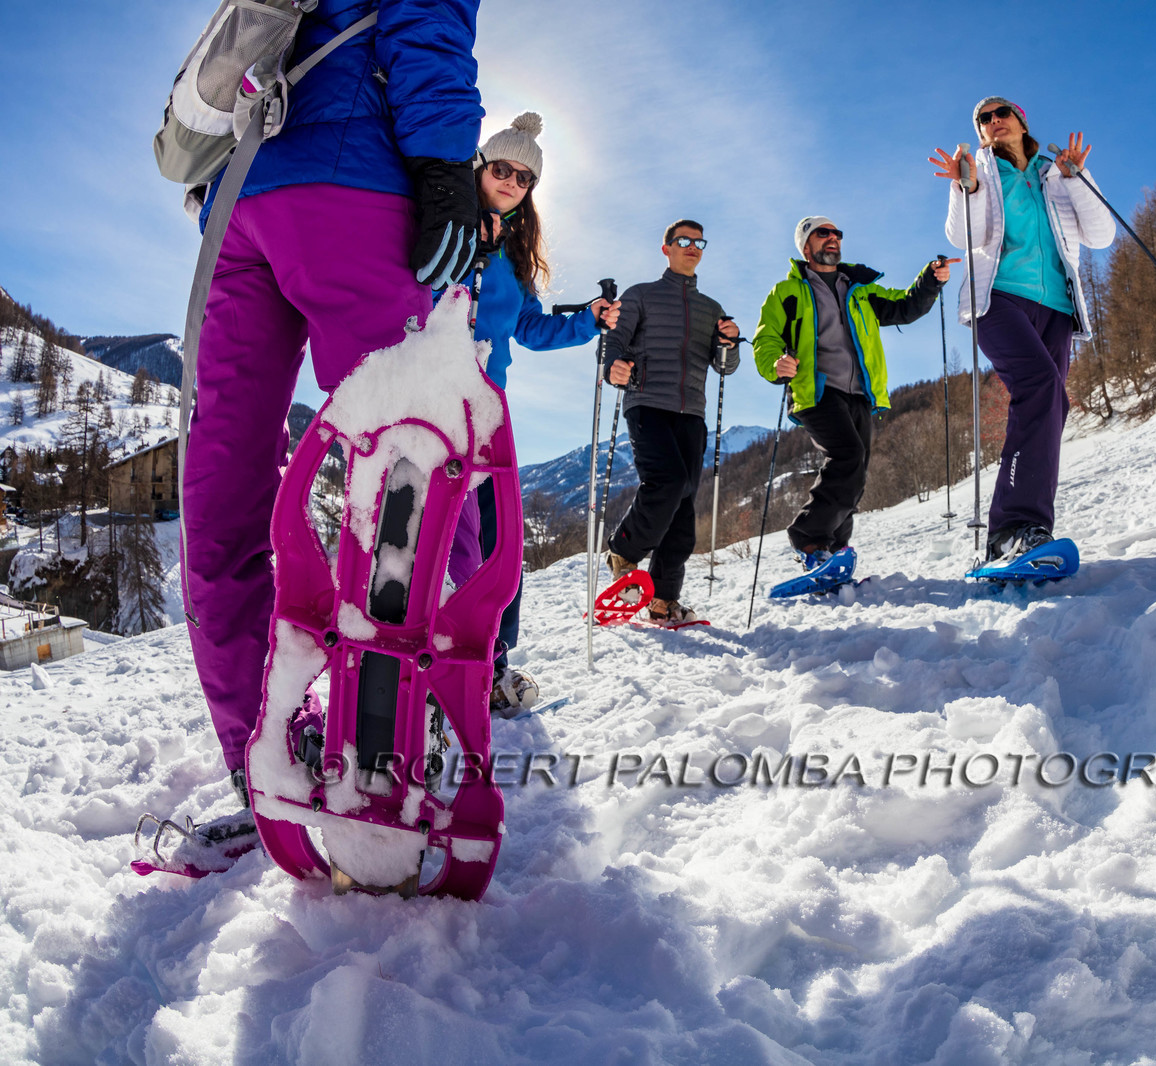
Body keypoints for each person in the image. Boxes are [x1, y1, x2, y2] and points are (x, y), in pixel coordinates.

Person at [182, 0, 482, 810]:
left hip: (237, 199)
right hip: (354, 180)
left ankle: (263, 757)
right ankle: (400, 749)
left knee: (223, 483)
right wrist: (444, 161)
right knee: (418, 461)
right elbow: (426, 13)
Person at [461, 112, 620, 711]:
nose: (511, 181)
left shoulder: (513, 254)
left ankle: (493, 664)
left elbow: (529, 328)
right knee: (450, 540)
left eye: (524, 177)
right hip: (430, 395)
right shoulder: (443, 229)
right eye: (501, 168)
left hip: (490, 409)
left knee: (501, 541)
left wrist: (590, 319)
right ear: (480, 166)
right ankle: (438, 659)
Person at [930, 97, 1114, 562]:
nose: (993, 122)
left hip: (1055, 308)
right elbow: (964, 236)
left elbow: (1101, 236)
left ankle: (1025, 533)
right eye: (983, 120)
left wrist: (1077, 179)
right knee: (1040, 388)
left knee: (1049, 403)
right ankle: (1013, 528)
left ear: (1021, 120)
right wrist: (966, 188)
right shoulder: (983, 173)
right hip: (999, 300)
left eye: (1001, 113)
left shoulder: (1054, 173)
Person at [750, 217, 951, 575]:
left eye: (837, 234)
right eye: (823, 234)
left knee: (856, 470)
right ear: (805, 246)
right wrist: (775, 363)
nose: (833, 239)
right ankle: (808, 537)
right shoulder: (787, 292)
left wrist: (929, 281)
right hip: (816, 390)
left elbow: (904, 305)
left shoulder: (860, 289)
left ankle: (833, 554)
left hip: (859, 393)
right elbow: (766, 339)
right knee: (848, 456)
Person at [601, 221, 740, 625]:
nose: (692, 247)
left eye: (699, 242)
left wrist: (729, 342)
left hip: (692, 413)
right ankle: (624, 550)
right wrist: (614, 368)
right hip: (647, 402)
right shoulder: (641, 294)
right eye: (683, 240)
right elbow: (615, 338)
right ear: (666, 248)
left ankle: (664, 600)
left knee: (682, 511)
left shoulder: (712, 309)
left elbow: (725, 367)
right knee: (668, 482)